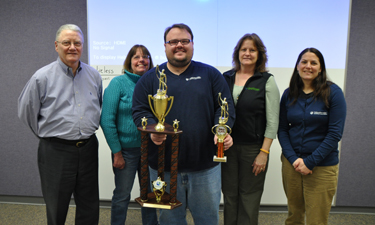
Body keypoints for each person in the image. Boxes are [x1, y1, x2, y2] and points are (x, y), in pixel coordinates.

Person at [132, 23, 235, 225]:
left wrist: (222, 131)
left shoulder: (210, 74)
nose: (179, 45)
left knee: (207, 220)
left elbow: (225, 108)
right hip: (163, 168)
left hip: (205, 168)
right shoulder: (150, 78)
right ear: (165, 46)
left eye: (184, 41)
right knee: (169, 222)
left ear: (192, 44)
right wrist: (153, 129)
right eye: (173, 41)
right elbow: (139, 110)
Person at [18, 24, 102, 225]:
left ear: (82, 46)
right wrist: (49, 136)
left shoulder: (94, 75)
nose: (72, 47)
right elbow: (26, 112)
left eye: (77, 43)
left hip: (89, 148)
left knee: (89, 206)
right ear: (57, 46)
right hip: (56, 151)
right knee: (56, 207)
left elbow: (98, 105)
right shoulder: (42, 77)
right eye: (66, 43)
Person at [278, 48, 346, 225]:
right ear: (298, 65)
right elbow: (282, 130)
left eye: (313, 63)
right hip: (291, 166)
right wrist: (293, 159)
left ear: (321, 68)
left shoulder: (334, 93)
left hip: (321, 167)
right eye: (304, 62)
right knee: (294, 216)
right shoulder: (289, 94)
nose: (308, 66)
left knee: (316, 220)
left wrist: (310, 162)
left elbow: (334, 134)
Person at [221, 33, 280, 225]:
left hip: (254, 149)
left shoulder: (266, 81)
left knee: (249, 197)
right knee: (230, 195)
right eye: (243, 49)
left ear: (259, 54)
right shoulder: (225, 78)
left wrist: (264, 152)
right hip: (227, 148)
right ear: (237, 53)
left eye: (252, 50)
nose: (247, 53)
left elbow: (273, 121)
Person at [100, 45, 158, 225]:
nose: (142, 60)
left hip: (151, 151)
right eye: (136, 57)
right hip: (125, 151)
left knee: (150, 194)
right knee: (122, 194)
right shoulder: (118, 83)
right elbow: (107, 120)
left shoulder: (156, 84)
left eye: (145, 56)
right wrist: (117, 152)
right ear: (129, 62)